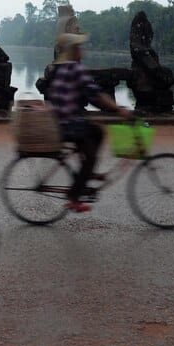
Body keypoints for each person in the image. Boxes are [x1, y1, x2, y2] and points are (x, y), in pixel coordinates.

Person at [46, 32, 133, 213]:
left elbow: (91, 96)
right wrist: (118, 109)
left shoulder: (64, 68)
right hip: (68, 124)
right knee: (92, 156)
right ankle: (74, 197)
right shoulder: (76, 69)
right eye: (79, 47)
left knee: (98, 131)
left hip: (62, 120)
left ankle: (88, 170)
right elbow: (96, 94)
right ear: (73, 51)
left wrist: (106, 105)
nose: (82, 50)